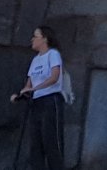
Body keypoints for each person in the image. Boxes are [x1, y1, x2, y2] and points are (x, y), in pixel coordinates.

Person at [11, 25, 68, 170]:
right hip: (37, 102)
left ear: (45, 39)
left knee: (51, 142)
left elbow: (54, 77)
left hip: (51, 100)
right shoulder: (35, 60)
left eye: (35, 36)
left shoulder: (53, 54)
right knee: (36, 143)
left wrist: (35, 89)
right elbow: (29, 84)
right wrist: (20, 95)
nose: (32, 39)